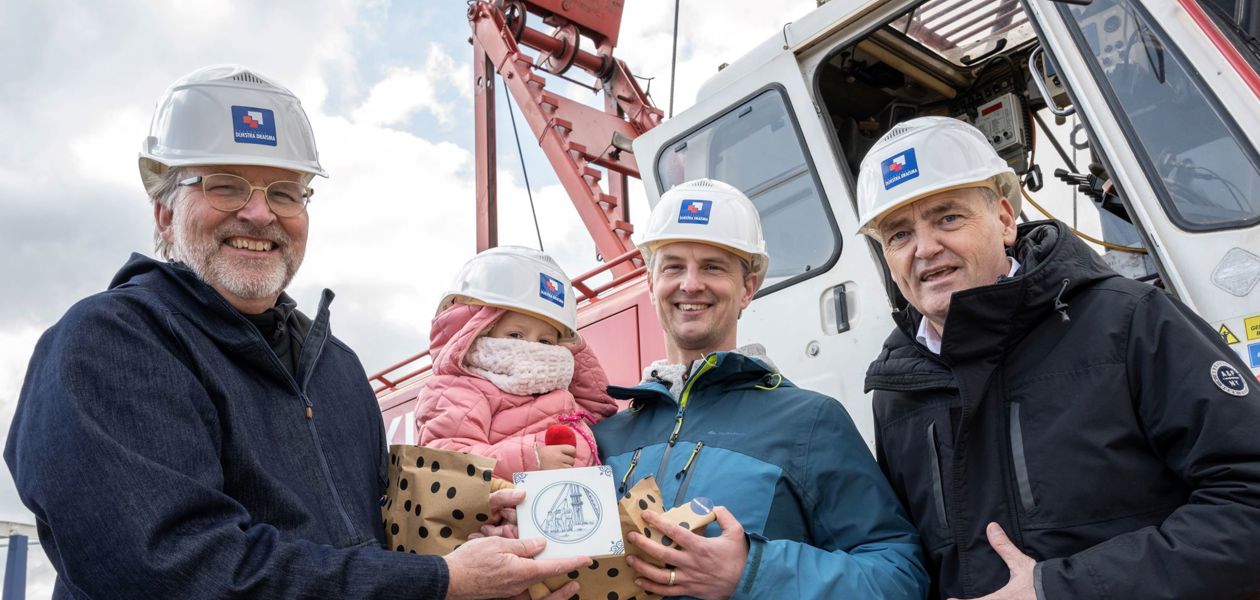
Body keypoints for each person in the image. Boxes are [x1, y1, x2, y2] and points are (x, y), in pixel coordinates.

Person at [4, 64, 588, 600]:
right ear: (163, 212)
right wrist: (441, 582)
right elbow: (178, 570)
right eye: (225, 185)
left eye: (285, 192)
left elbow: (386, 534)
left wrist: (481, 533)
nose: (260, 214)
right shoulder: (110, 344)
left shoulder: (336, 367)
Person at [857, 116, 1260, 599]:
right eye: (898, 235)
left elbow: (1248, 502)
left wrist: (1059, 590)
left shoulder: (1131, 322)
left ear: (1005, 220)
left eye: (947, 217)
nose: (925, 248)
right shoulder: (896, 392)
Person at [593, 178, 929, 599]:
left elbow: (899, 575)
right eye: (673, 266)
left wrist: (752, 573)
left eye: (713, 266)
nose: (691, 284)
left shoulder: (810, 423)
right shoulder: (602, 439)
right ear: (651, 283)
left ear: (748, 288)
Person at [415, 246, 617, 479]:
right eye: (515, 335)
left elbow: (602, 410)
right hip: (506, 512)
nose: (532, 347)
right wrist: (531, 459)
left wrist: (576, 352)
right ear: (478, 331)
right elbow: (450, 464)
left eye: (545, 341)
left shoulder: (558, 387)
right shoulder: (456, 390)